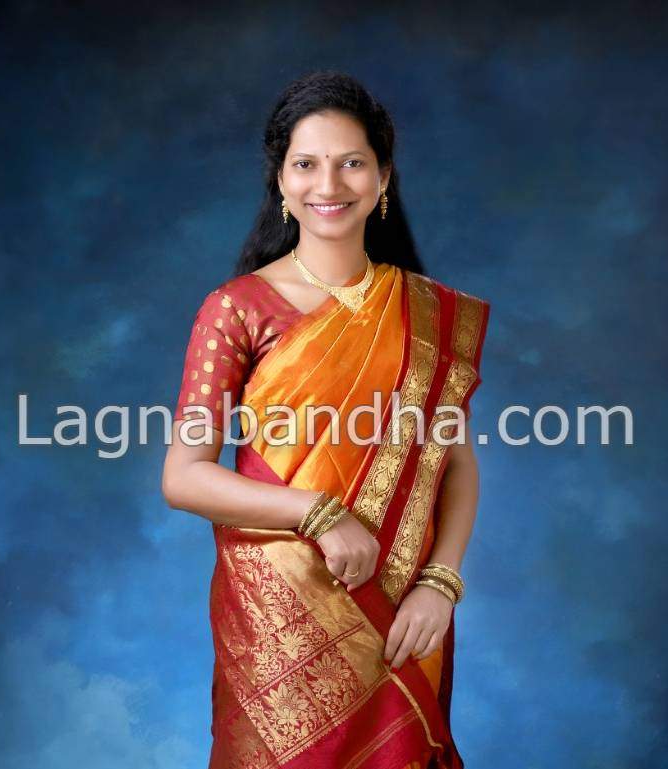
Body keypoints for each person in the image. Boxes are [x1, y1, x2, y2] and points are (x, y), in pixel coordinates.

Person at [162, 70, 490, 769]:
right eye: (305, 164)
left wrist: (440, 582)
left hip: (401, 610)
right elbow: (184, 477)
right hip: (275, 614)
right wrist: (316, 510)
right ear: (280, 183)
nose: (328, 184)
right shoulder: (237, 308)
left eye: (351, 163)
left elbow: (454, 463)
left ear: (382, 179)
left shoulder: (428, 315)